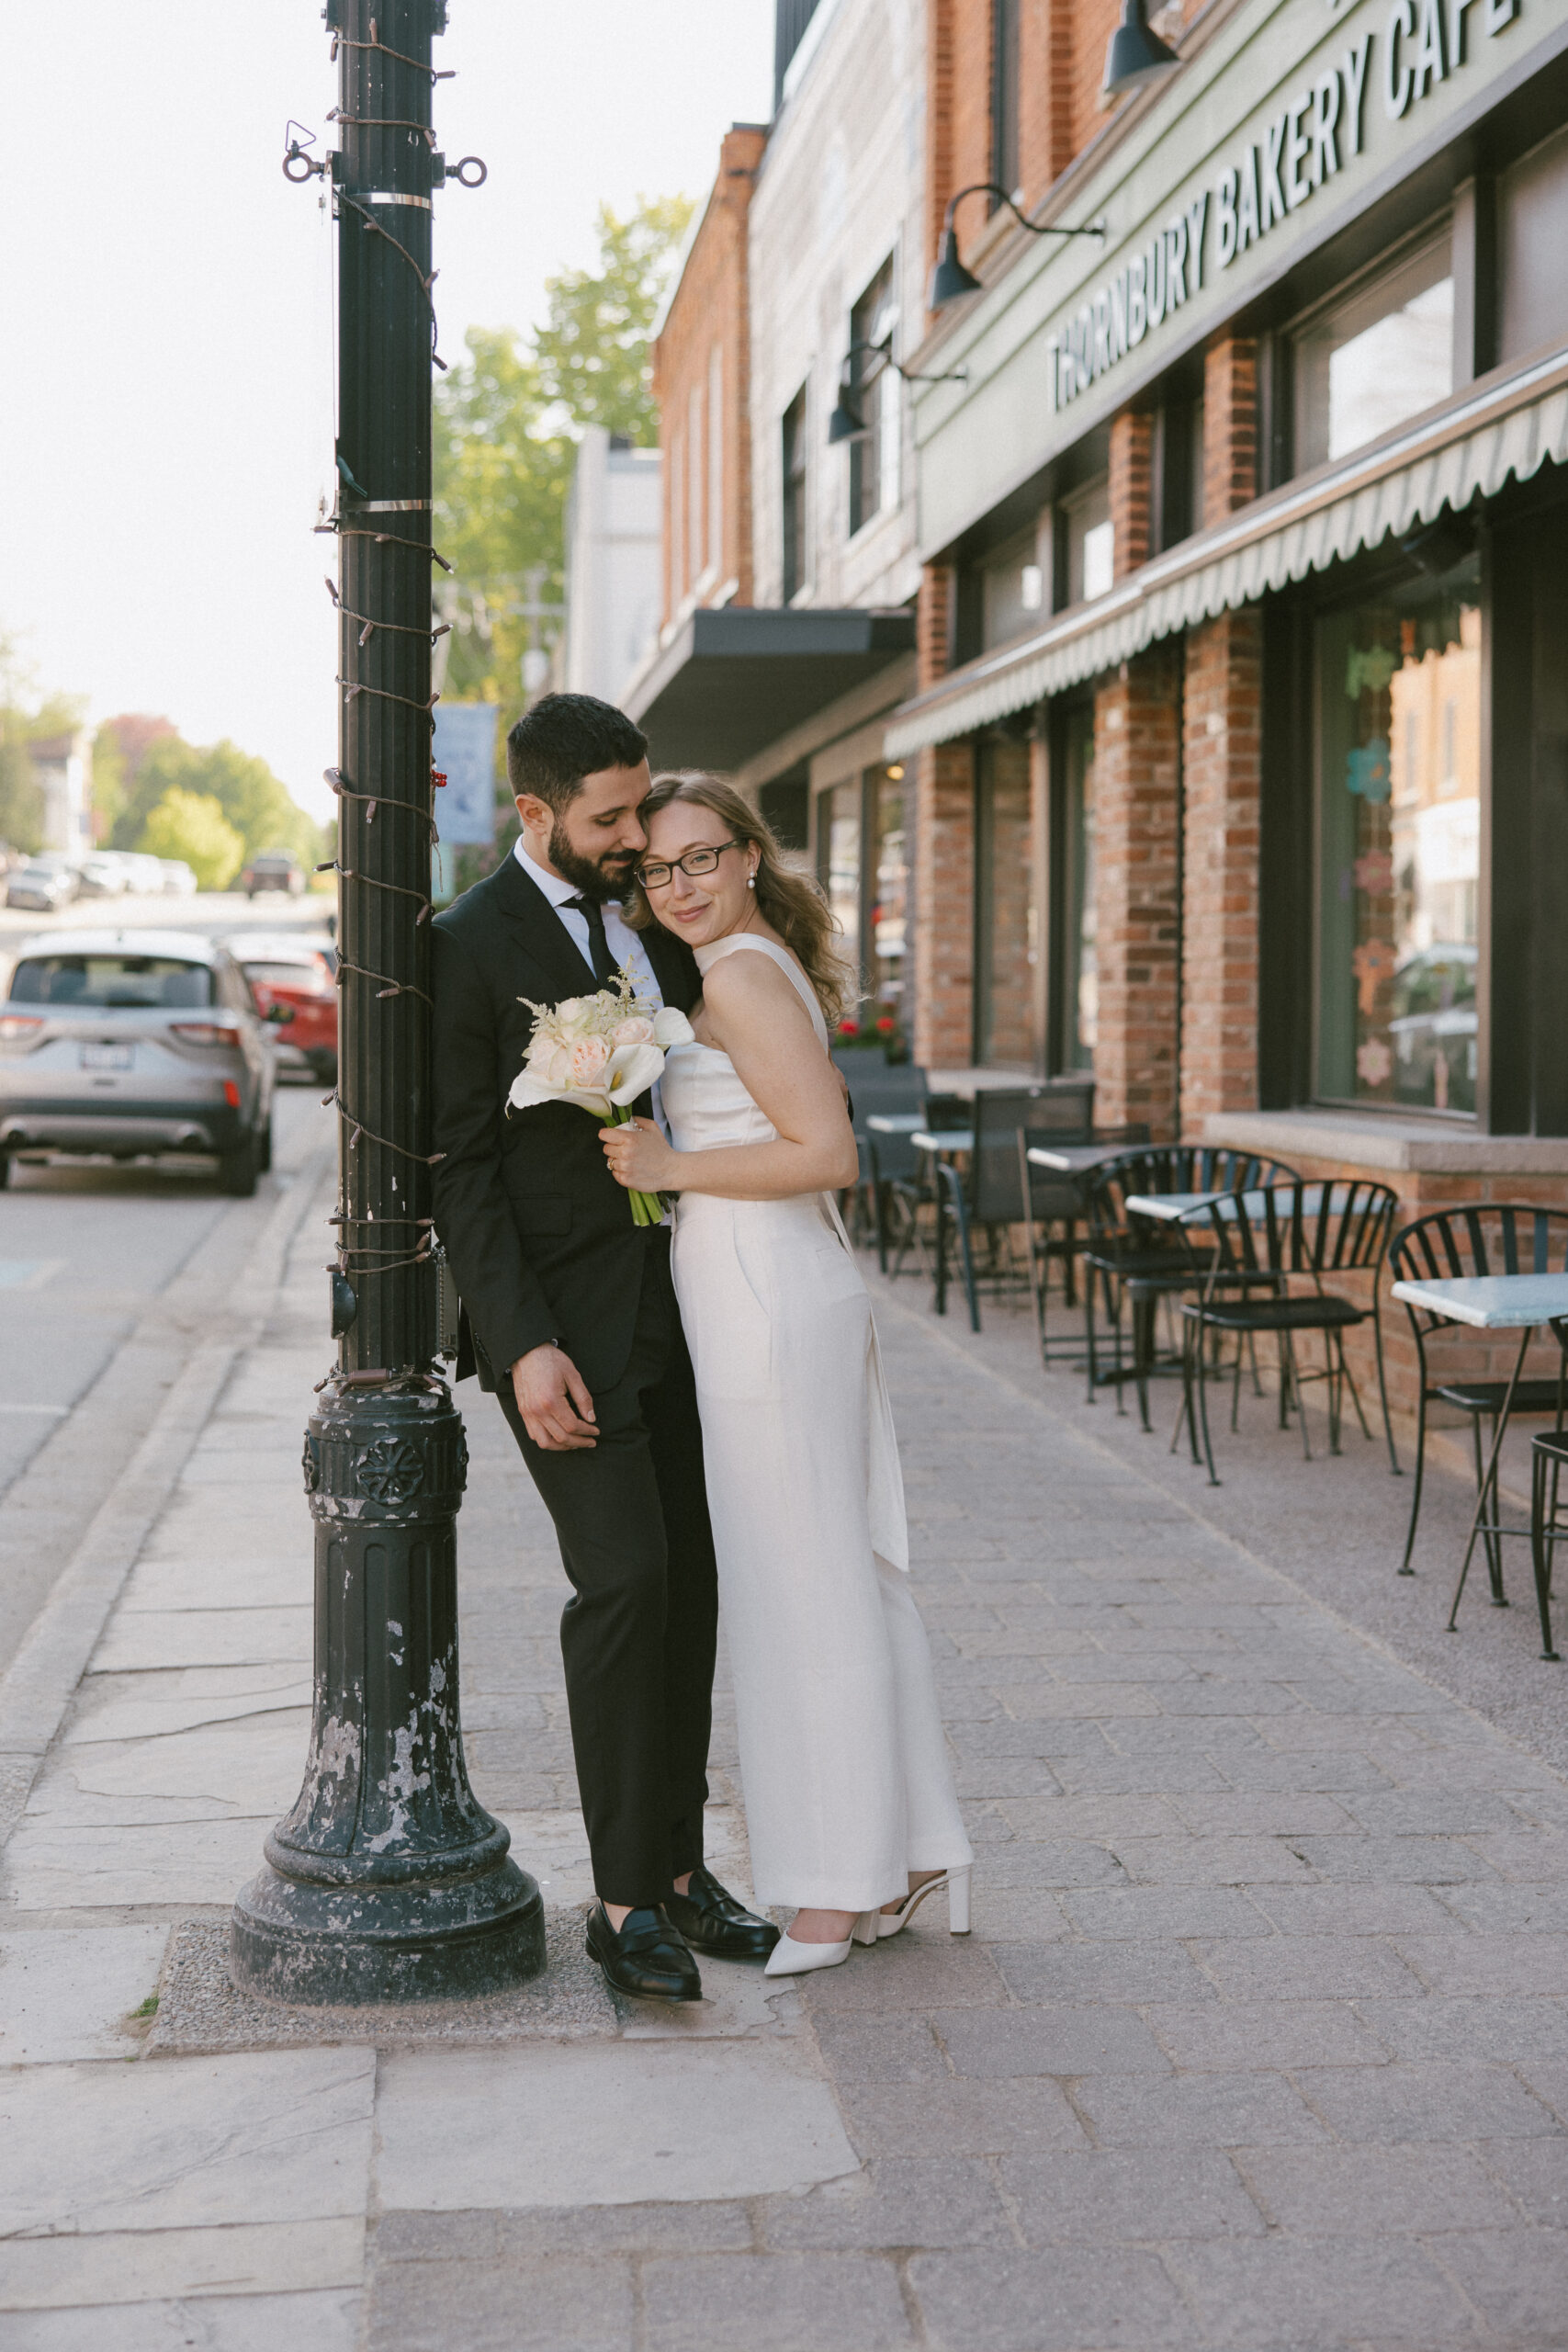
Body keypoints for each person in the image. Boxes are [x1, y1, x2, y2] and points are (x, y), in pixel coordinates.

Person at [430, 695, 779, 2003]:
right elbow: (460, 1172)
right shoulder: (466, 944)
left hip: (683, 1309)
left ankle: (683, 1880)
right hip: (563, 1339)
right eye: (611, 818)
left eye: (643, 809)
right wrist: (520, 1350)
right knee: (625, 1585)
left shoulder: (642, 926)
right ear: (536, 816)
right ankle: (622, 1900)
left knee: (689, 1587)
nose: (637, 836)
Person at [602, 772, 973, 1974]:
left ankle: (832, 1889)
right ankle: (906, 1854)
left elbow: (827, 1155)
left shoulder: (742, 978)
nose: (683, 886)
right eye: (660, 871)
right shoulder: (742, 968)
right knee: (836, 1572)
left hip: (765, 1292)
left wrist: (671, 1161)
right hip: (760, 1288)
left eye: (702, 857)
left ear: (750, 854)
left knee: (800, 1588)